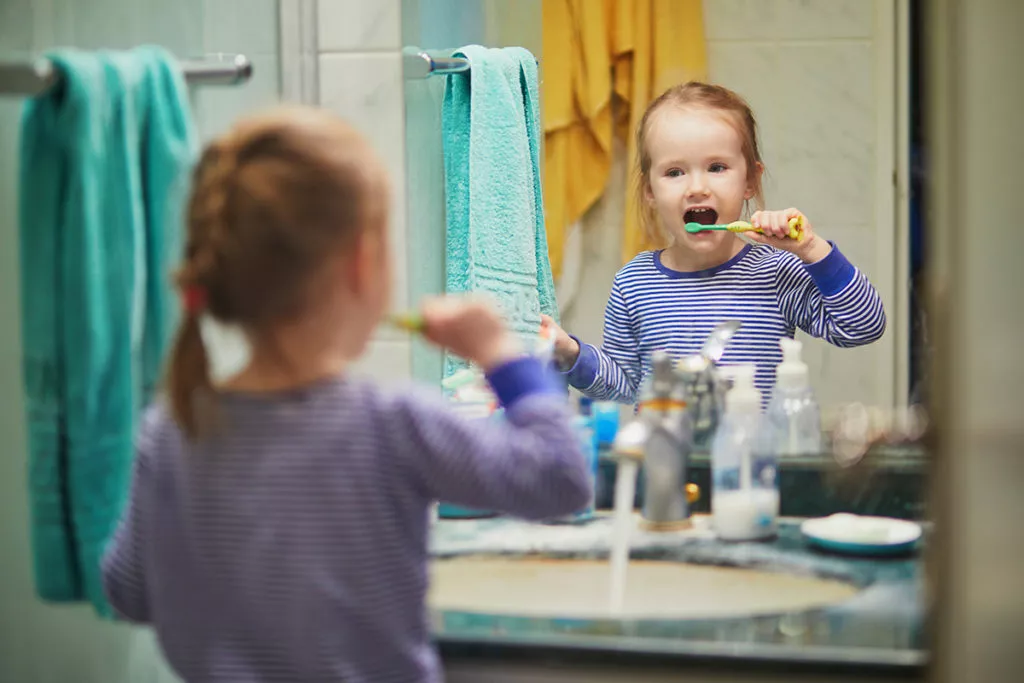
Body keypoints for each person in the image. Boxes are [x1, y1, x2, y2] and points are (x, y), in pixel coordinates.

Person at [101, 105, 591, 683]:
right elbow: (562, 480)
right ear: (362, 263)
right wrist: (500, 355)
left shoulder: (172, 427)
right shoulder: (390, 425)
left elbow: (128, 592)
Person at [542, 81, 886, 403]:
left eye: (717, 167)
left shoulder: (775, 272)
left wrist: (811, 250)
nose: (696, 187)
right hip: (665, 462)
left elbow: (863, 326)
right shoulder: (634, 282)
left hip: (751, 463)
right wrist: (571, 352)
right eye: (675, 172)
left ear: (750, 180)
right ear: (650, 191)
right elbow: (625, 383)